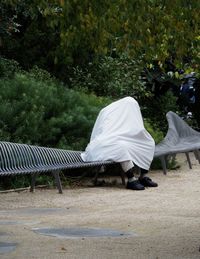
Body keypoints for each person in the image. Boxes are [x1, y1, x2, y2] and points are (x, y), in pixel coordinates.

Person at [81, 96, 158, 190]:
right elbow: (104, 133)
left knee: (148, 143)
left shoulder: (127, 112)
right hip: (105, 142)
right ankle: (131, 179)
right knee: (121, 147)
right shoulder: (107, 112)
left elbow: (134, 130)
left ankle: (143, 176)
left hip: (120, 139)